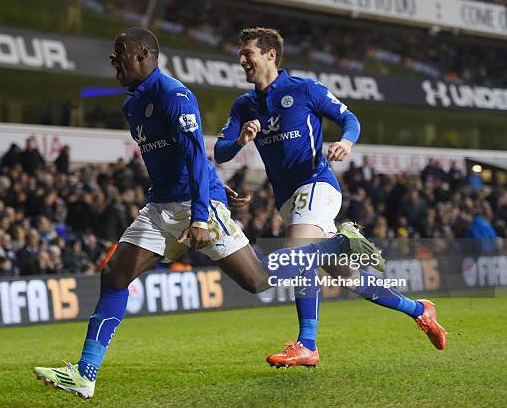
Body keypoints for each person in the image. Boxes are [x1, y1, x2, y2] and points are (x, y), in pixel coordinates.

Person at [33, 27, 382, 400]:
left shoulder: (175, 96)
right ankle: (85, 374)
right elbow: (189, 159)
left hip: (196, 206)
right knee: (115, 276)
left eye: (120, 51)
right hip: (160, 206)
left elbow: (197, 157)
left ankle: (337, 245)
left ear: (143, 55)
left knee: (259, 280)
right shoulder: (132, 103)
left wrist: (203, 213)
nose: (112, 58)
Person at [214, 27, 447, 368]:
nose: (242, 59)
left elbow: (348, 118)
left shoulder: (304, 89)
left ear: (270, 55)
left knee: (297, 255)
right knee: (348, 277)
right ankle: (419, 309)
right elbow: (220, 153)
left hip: (317, 185)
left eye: (247, 52)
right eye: (241, 53)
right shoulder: (244, 105)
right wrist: (240, 141)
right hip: (288, 200)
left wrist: (347, 142)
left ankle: (307, 343)